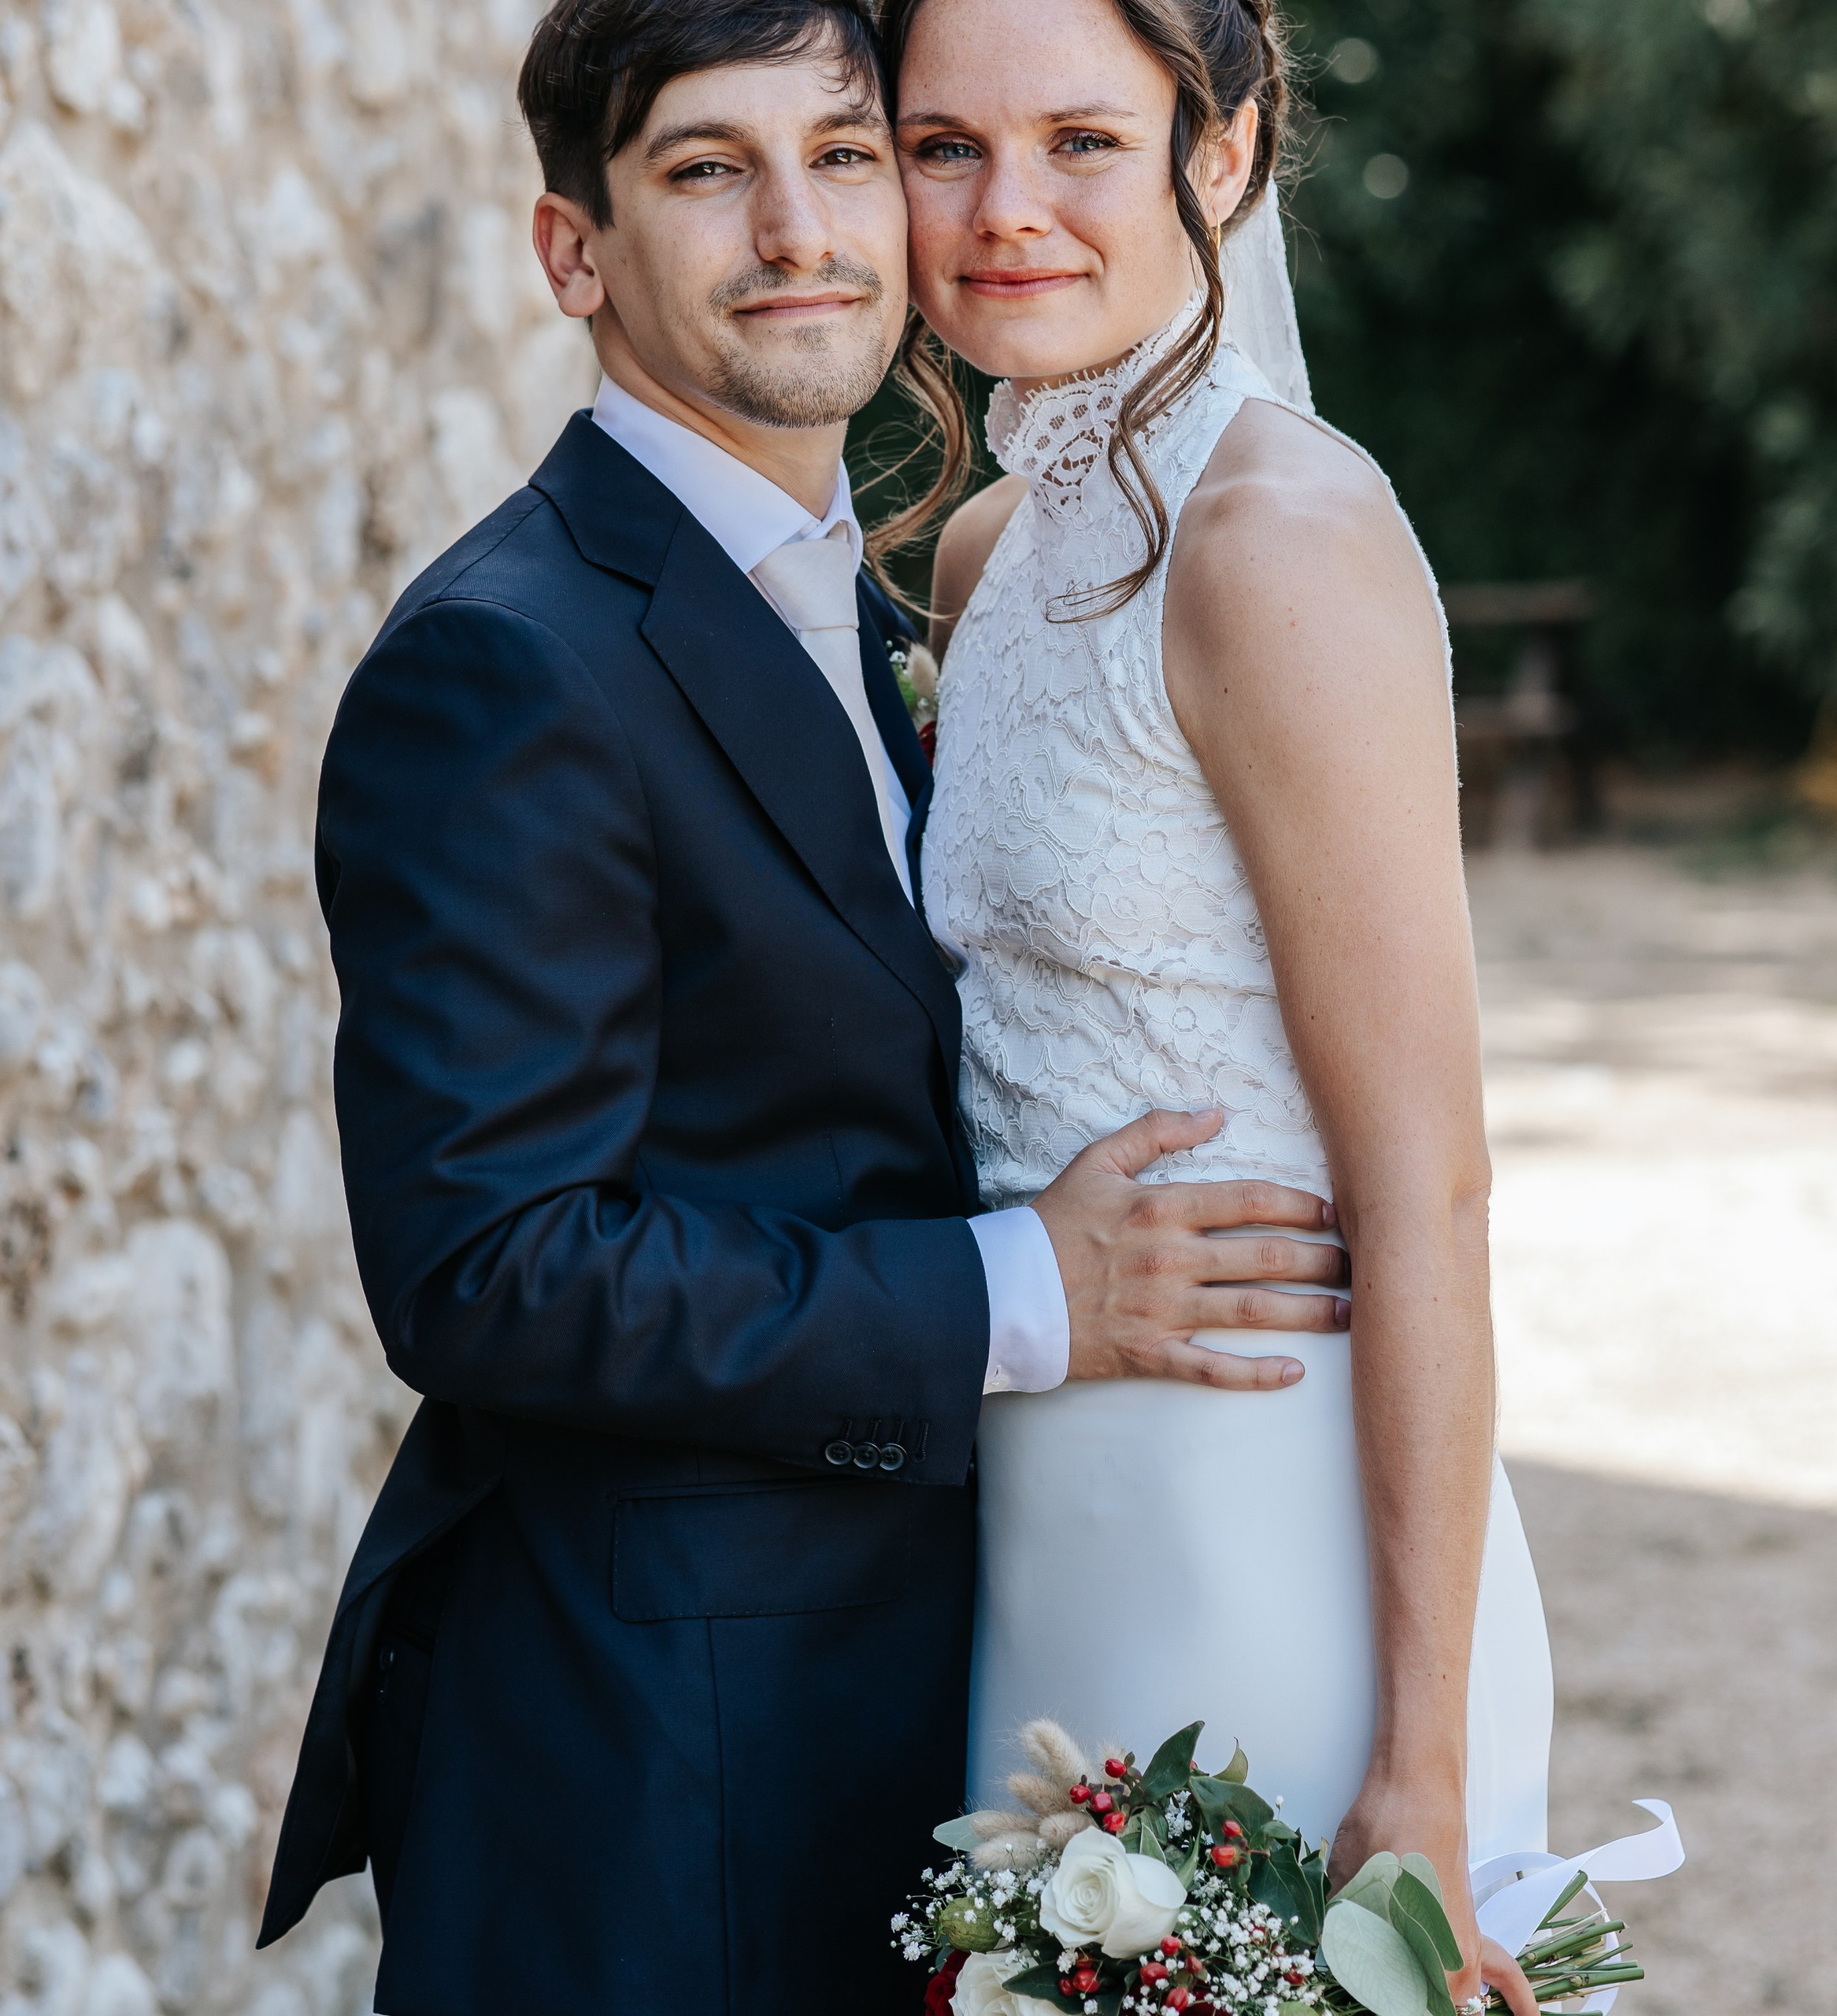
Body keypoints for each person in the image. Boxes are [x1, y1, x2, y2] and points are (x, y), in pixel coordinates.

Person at [253, 2, 1349, 2010]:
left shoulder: (876, 596)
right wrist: (1024, 1288)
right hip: (654, 1762)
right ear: (572, 251)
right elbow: (488, 1264)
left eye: (845, 154)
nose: (797, 230)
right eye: (706, 169)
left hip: (922, 1681)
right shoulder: (507, 661)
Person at [887, 0, 1555, 2008]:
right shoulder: (982, 550)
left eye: (1080, 141)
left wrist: (1418, 1760)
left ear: (1225, 148)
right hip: (1045, 1520)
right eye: (941, 145)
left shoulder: (1277, 535)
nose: (1003, 211)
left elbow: (1428, 1186)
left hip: (1263, 1524)